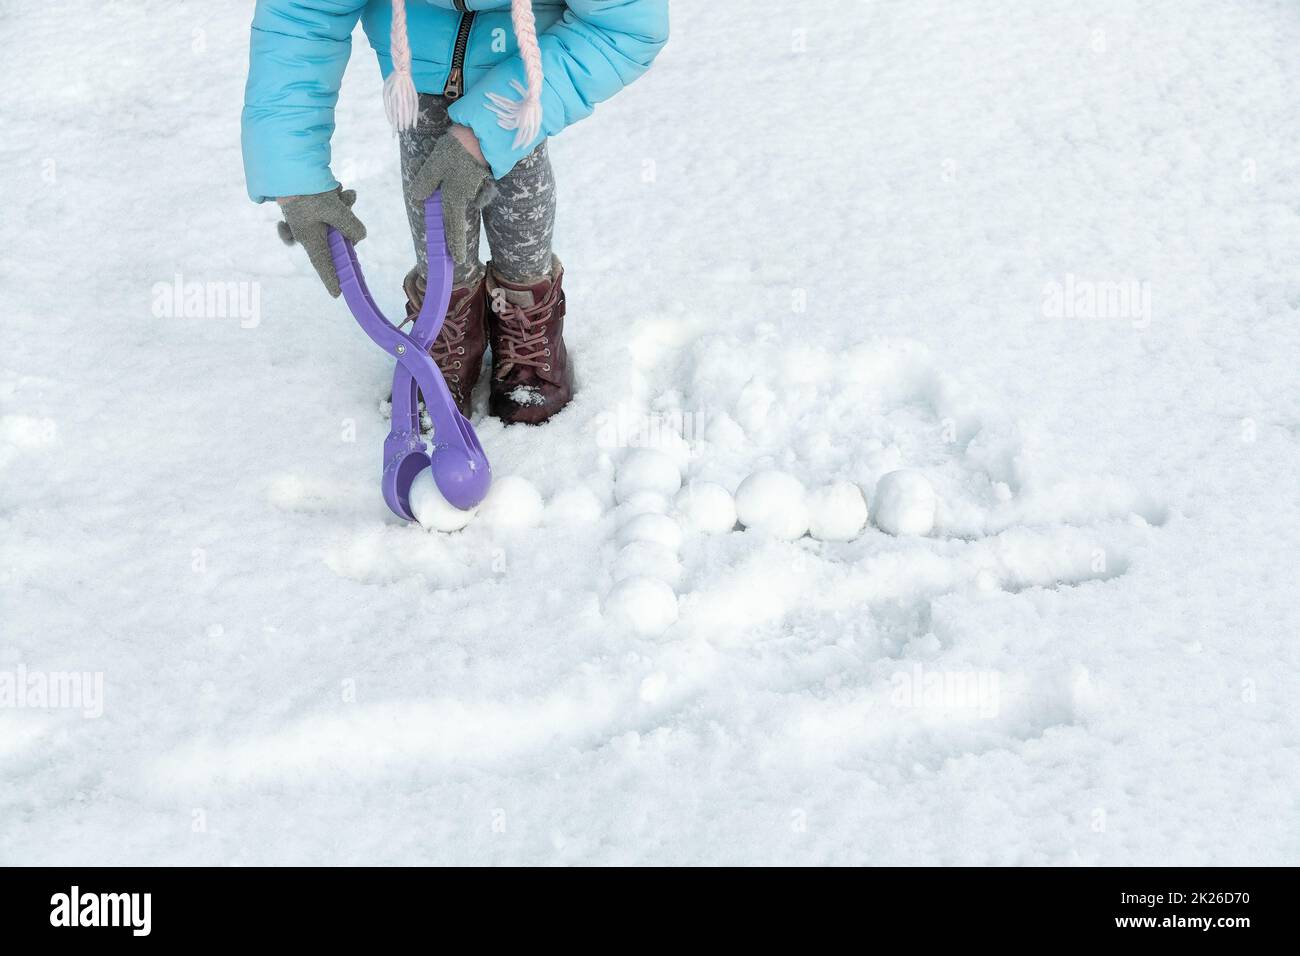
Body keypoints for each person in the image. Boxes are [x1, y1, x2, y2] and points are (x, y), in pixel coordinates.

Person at [242, 0, 670, 424]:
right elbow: (300, 16)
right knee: (432, 200)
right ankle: (446, 323)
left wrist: (486, 135)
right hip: (416, 78)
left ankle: (525, 315)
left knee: (518, 198)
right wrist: (294, 177)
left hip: (520, 80)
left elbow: (627, 25)